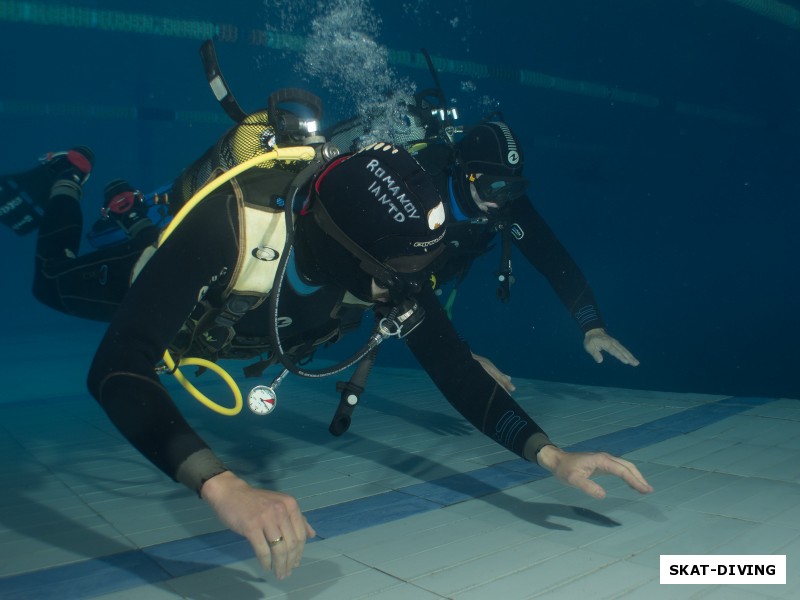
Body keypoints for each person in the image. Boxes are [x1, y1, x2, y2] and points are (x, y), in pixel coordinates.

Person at [2, 109, 652, 581]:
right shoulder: (227, 231)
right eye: (401, 272)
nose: (412, 289)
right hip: (185, 295)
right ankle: (67, 176)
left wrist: (551, 455)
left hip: (253, 329)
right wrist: (223, 486)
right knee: (51, 281)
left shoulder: (387, 273)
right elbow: (118, 367)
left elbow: (454, 368)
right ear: (347, 250)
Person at [411, 119, 640, 382]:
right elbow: (402, 287)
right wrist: (458, 352)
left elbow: (555, 262)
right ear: (466, 173)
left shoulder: (506, 203)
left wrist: (592, 327)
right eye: (492, 188)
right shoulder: (420, 190)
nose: (500, 202)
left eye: (512, 188)